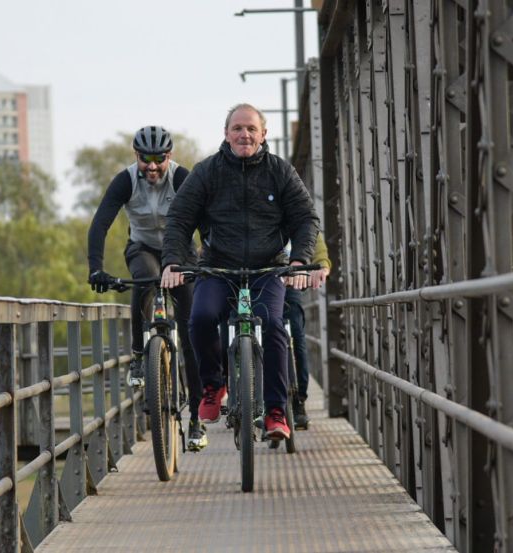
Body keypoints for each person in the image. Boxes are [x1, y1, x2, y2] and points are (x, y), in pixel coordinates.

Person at [160, 104, 319, 440]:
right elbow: (179, 219)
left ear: (263, 134)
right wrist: (173, 261)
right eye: (237, 128)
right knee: (200, 317)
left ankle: (276, 412)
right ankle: (213, 386)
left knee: (274, 326)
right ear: (226, 133)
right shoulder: (207, 172)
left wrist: (299, 262)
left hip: (268, 269)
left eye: (250, 129)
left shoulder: (281, 171)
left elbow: (305, 219)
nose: (244, 134)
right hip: (219, 267)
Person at [87, 126, 207, 451]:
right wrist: (96, 268)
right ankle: (139, 356)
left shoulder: (182, 178)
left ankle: (196, 419)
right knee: (144, 280)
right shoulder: (125, 180)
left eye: (159, 159)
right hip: (142, 248)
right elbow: (100, 223)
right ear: (135, 155)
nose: (152, 166)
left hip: (181, 252)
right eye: (145, 159)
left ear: (169, 156)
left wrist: (208, 258)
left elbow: (206, 219)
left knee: (192, 331)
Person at [285, 233, 331, 430]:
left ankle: (298, 401)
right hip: (259, 273)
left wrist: (320, 263)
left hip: (291, 275)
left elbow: (311, 231)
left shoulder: (292, 202)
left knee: (295, 332)